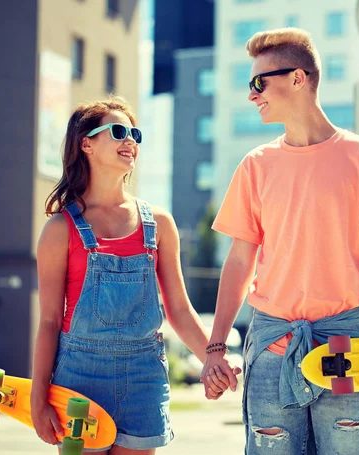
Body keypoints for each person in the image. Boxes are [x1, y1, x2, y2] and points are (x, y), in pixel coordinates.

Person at [201, 28, 359, 454]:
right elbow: (239, 263)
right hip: (272, 348)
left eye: (259, 82)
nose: (252, 94)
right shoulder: (255, 166)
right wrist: (216, 347)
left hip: (346, 346)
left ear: (297, 78)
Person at [31, 97, 235, 454]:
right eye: (119, 131)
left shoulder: (159, 224)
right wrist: (39, 398)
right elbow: (49, 320)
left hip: (144, 378)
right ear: (86, 143)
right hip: (79, 378)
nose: (131, 141)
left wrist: (213, 359)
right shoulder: (60, 229)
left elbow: (180, 311)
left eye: (135, 134)